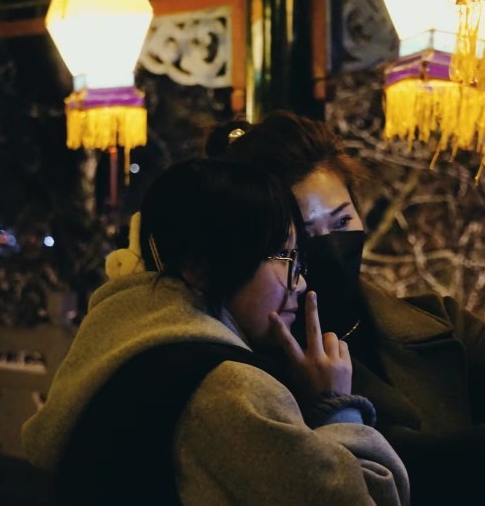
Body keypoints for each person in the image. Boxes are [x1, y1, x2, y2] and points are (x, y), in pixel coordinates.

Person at [208, 111, 485, 504]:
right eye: (308, 234)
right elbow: (386, 465)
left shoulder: (433, 321)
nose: (331, 244)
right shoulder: (259, 364)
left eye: (343, 219)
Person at [22, 159, 410, 505]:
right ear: (200, 268)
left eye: (297, 259)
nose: (301, 282)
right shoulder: (230, 390)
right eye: (281, 255)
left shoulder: (122, 341)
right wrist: (337, 405)